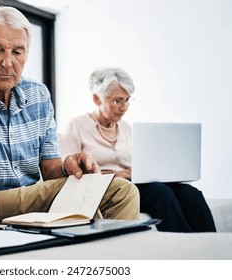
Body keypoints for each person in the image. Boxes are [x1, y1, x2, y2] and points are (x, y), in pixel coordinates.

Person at [0, 6, 140, 250]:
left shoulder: (39, 95)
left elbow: (52, 169)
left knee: (123, 192)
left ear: (27, 53)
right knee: (116, 188)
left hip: (30, 197)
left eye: (18, 52)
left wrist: (68, 165)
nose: (8, 62)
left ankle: (111, 259)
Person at [60, 66, 216, 233]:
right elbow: (68, 173)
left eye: (127, 100)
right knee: (160, 193)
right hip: (110, 190)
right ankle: (184, 249)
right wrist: (115, 175)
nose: (124, 107)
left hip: (135, 184)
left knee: (190, 194)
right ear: (97, 99)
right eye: (117, 100)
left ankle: (212, 247)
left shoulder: (126, 128)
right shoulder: (76, 126)